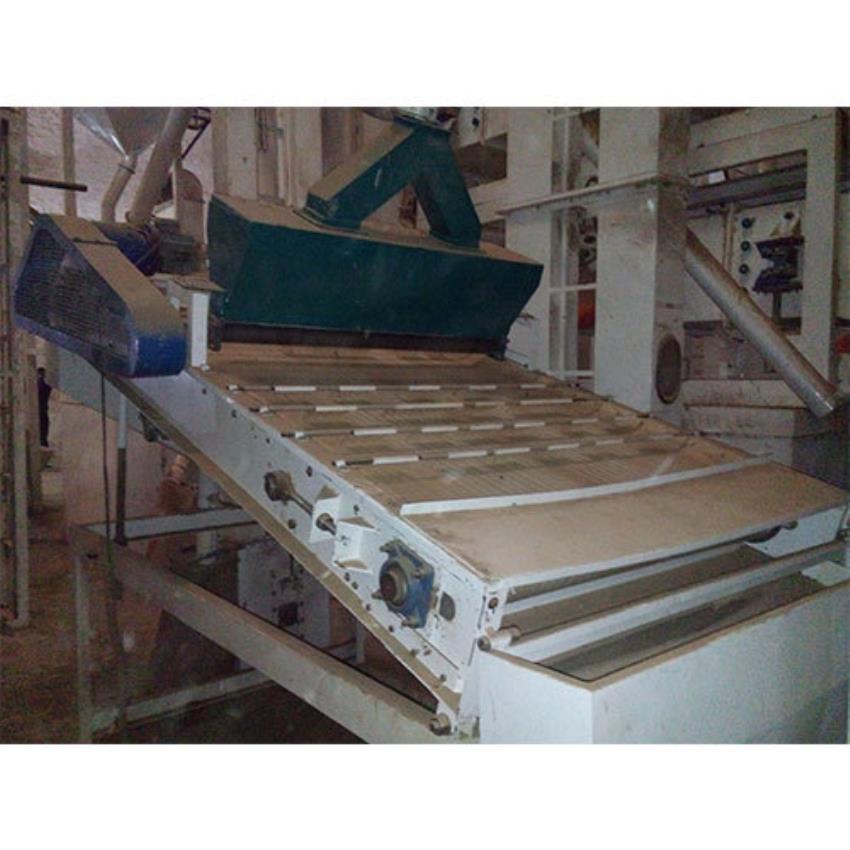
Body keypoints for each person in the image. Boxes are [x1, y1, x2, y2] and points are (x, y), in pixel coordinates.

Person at [36, 366, 51, 448]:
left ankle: (43, 440)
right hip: (41, 407)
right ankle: (43, 440)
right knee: (44, 424)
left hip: (40, 407)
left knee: (43, 424)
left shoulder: (38, 382)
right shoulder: (42, 383)